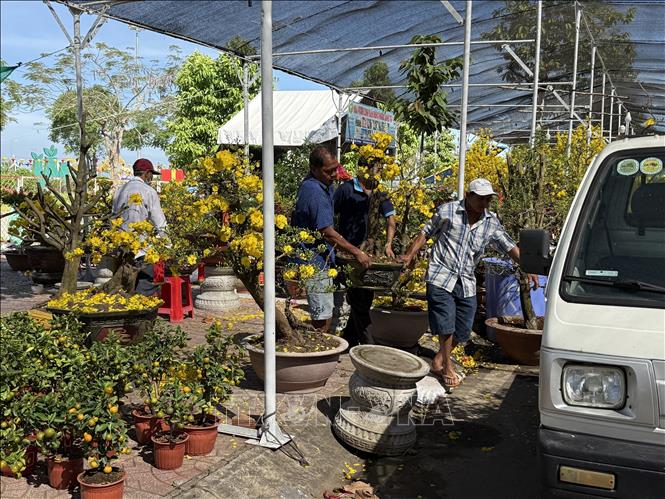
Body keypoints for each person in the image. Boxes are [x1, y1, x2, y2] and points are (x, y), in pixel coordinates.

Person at [399, 178, 539, 388]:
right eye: (480, 198)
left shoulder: (490, 222)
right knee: (446, 323)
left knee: (464, 327)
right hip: (440, 275)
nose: (484, 203)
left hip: (466, 280)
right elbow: (425, 232)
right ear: (468, 196)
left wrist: (528, 266)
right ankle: (447, 366)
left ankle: (438, 359)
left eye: (488, 199)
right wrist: (410, 255)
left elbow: (508, 245)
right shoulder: (448, 211)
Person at [291, 147, 371, 333]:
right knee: (322, 318)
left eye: (336, 168)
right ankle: (318, 348)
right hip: (314, 263)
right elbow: (326, 231)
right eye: (329, 171)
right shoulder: (314, 191)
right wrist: (356, 252)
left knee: (329, 313)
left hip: (323, 260)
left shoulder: (323, 185)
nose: (335, 174)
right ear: (314, 169)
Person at [333, 171, 396, 346]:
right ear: (362, 169)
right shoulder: (346, 189)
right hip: (349, 253)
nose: (376, 173)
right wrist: (336, 242)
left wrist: (388, 244)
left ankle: (350, 339)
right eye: (373, 169)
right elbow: (330, 214)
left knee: (364, 297)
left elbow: (391, 220)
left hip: (370, 253)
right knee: (358, 297)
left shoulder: (380, 193)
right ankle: (369, 343)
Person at [111, 158, 166, 296]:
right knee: (147, 280)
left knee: (125, 283)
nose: (151, 178)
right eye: (151, 174)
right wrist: (167, 244)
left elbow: (113, 217)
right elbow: (160, 222)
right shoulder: (149, 191)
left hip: (121, 245)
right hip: (141, 248)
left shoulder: (119, 190)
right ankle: (141, 303)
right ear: (147, 173)